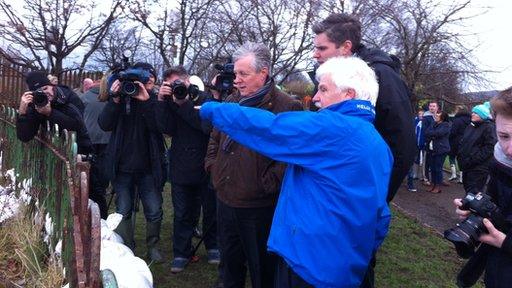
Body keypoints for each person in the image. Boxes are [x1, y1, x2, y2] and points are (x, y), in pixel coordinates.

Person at [200, 56, 392, 288]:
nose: (317, 98)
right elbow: (381, 215)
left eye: (323, 89)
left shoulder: (333, 128)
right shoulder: (378, 143)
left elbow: (270, 128)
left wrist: (213, 108)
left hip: (309, 263)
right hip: (347, 264)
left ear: (348, 94)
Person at [204, 42, 302, 288]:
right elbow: (215, 138)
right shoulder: (231, 101)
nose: (236, 80)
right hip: (225, 198)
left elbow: (289, 157)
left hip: (259, 208)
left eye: (243, 74)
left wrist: (264, 185)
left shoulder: (287, 106)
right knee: (229, 268)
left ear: (264, 73)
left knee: (262, 271)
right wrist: (213, 168)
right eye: (236, 73)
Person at [311, 13, 415, 203]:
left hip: (359, 194)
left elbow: (403, 145)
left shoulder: (381, 76)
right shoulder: (329, 77)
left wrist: (377, 198)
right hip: (328, 188)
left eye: (322, 48)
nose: (315, 54)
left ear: (346, 47)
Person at [98, 62, 166, 263]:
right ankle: (127, 246)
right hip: (123, 168)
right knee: (123, 209)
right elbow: (104, 124)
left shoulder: (152, 100)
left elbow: (160, 127)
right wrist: (115, 100)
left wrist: (145, 101)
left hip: (148, 167)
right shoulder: (120, 100)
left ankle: (153, 246)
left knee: (154, 210)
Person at [154, 66, 219, 272]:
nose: (176, 88)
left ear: (187, 81)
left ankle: (213, 246)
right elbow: (166, 128)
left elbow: (206, 127)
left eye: (178, 84)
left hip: (205, 163)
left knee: (210, 210)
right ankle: (181, 252)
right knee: (182, 212)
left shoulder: (204, 98)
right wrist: (162, 102)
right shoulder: (169, 101)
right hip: (181, 164)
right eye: (171, 85)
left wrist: (183, 105)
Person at [452, 87, 512, 287]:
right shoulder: (500, 158)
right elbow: (497, 204)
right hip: (497, 270)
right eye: (504, 136)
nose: (510, 149)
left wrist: (504, 242)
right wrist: (477, 212)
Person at [17, 71, 92, 155]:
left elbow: (78, 125)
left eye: (45, 88)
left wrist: (50, 113)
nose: (45, 93)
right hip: (50, 154)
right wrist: (22, 113)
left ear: (52, 86)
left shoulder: (67, 97)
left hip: (77, 151)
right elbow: (25, 136)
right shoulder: (36, 103)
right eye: (39, 92)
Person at [80, 76, 111, 219]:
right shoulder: (110, 98)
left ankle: (90, 194)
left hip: (89, 140)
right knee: (104, 170)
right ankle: (102, 190)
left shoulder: (84, 98)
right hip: (107, 140)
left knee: (89, 171)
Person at [457, 102, 497, 194]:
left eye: (476, 113)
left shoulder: (489, 128)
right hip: (467, 165)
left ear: (482, 115)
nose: (472, 114)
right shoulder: (471, 126)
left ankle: (471, 208)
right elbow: (463, 141)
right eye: (473, 112)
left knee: (474, 193)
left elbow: (490, 147)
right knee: (467, 190)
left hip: (479, 168)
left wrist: (473, 159)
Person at [424, 111, 451, 194]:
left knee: (438, 168)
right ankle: (433, 185)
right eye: (435, 115)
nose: (435, 116)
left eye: (438, 115)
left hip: (441, 149)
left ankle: (438, 186)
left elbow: (439, 133)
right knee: (432, 168)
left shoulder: (446, 125)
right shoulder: (433, 123)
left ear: (442, 117)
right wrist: (433, 134)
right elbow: (427, 132)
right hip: (432, 149)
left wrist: (432, 134)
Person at [448, 105, 471, 182]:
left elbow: (453, 132)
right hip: (466, 141)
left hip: (455, 141)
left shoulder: (457, 120)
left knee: (452, 157)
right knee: (461, 158)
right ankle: (461, 177)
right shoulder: (470, 120)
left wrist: (449, 137)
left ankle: (454, 174)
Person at [421, 101, 440, 186]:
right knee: (426, 161)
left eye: (433, 106)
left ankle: (435, 179)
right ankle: (425, 178)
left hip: (437, 143)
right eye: (430, 106)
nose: (432, 107)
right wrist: (425, 141)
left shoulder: (439, 117)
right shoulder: (426, 117)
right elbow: (424, 130)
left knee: (434, 161)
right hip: (428, 142)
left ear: (437, 108)